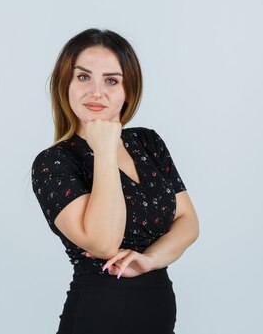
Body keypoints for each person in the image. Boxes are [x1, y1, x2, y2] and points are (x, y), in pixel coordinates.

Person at [31, 28, 199, 334]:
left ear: (127, 90)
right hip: (97, 318)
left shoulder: (147, 142)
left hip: (158, 317)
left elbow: (188, 222)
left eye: (111, 80)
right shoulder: (54, 163)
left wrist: (149, 260)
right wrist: (105, 149)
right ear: (64, 84)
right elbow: (105, 242)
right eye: (83, 77)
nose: (96, 92)